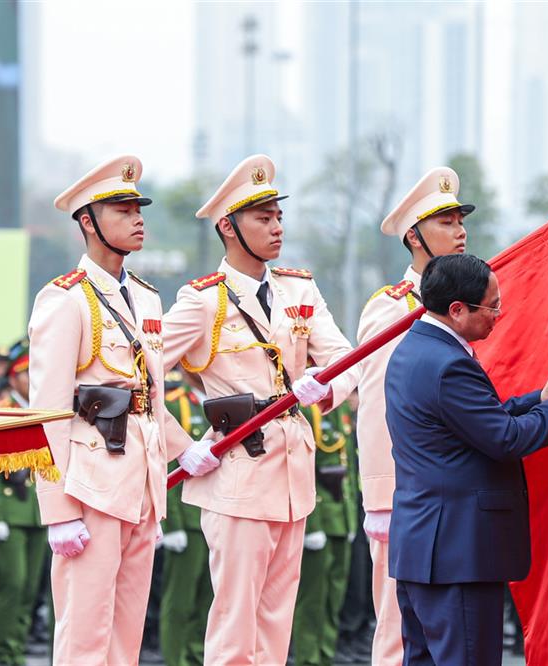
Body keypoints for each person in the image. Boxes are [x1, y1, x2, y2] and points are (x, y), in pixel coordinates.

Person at [162, 154, 359, 665]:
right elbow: (138, 371)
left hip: (293, 473)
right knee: (235, 622)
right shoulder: (202, 301)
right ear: (228, 227)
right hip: (237, 472)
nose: (276, 228)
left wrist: (326, 387)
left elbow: (344, 357)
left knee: (277, 623)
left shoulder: (299, 288)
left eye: (278, 216)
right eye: (262, 218)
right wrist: (184, 448)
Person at [28, 155, 209, 663]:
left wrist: (185, 450)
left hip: (142, 486)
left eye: (138, 208)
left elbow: (147, 398)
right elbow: (45, 414)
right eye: (122, 209)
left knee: (126, 637)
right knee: (85, 635)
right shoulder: (65, 300)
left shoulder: (148, 299)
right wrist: (58, 512)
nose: (138, 218)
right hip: (90, 488)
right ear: (88, 221)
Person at [384, 254, 548, 665]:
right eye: (492, 306)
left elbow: (477, 420)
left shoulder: (414, 349)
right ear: (457, 310)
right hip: (458, 554)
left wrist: (538, 398)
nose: (498, 315)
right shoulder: (449, 364)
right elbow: (503, 438)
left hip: (424, 548)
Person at [356, 166, 473, 665]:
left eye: (459, 220)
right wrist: (381, 498)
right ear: (414, 235)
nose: (460, 230)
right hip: (407, 496)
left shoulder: (464, 304)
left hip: (453, 490)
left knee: (444, 629)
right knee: (399, 626)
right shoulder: (394, 309)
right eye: (445, 221)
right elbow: (378, 404)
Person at [0, 344, 49, 666]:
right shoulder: (3, 410)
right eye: (25, 373)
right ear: (14, 377)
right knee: (12, 585)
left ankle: (16, 652)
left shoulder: (41, 409)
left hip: (37, 512)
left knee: (30, 589)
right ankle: (2, 656)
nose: (31, 378)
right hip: (9, 513)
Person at [291, 397, 359, 666]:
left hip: (341, 517)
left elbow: (349, 468)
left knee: (334, 595)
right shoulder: (306, 407)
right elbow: (302, 469)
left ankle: (325, 655)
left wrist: (351, 517)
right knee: (312, 598)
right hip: (320, 515)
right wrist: (311, 523)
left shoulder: (340, 407)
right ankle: (308, 658)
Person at [159, 370, 212, 666]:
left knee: (208, 596)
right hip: (186, 517)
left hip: (214, 511)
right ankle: (175, 658)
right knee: (180, 599)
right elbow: (165, 462)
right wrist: (171, 523)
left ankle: (196, 656)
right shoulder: (177, 403)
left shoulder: (222, 400)